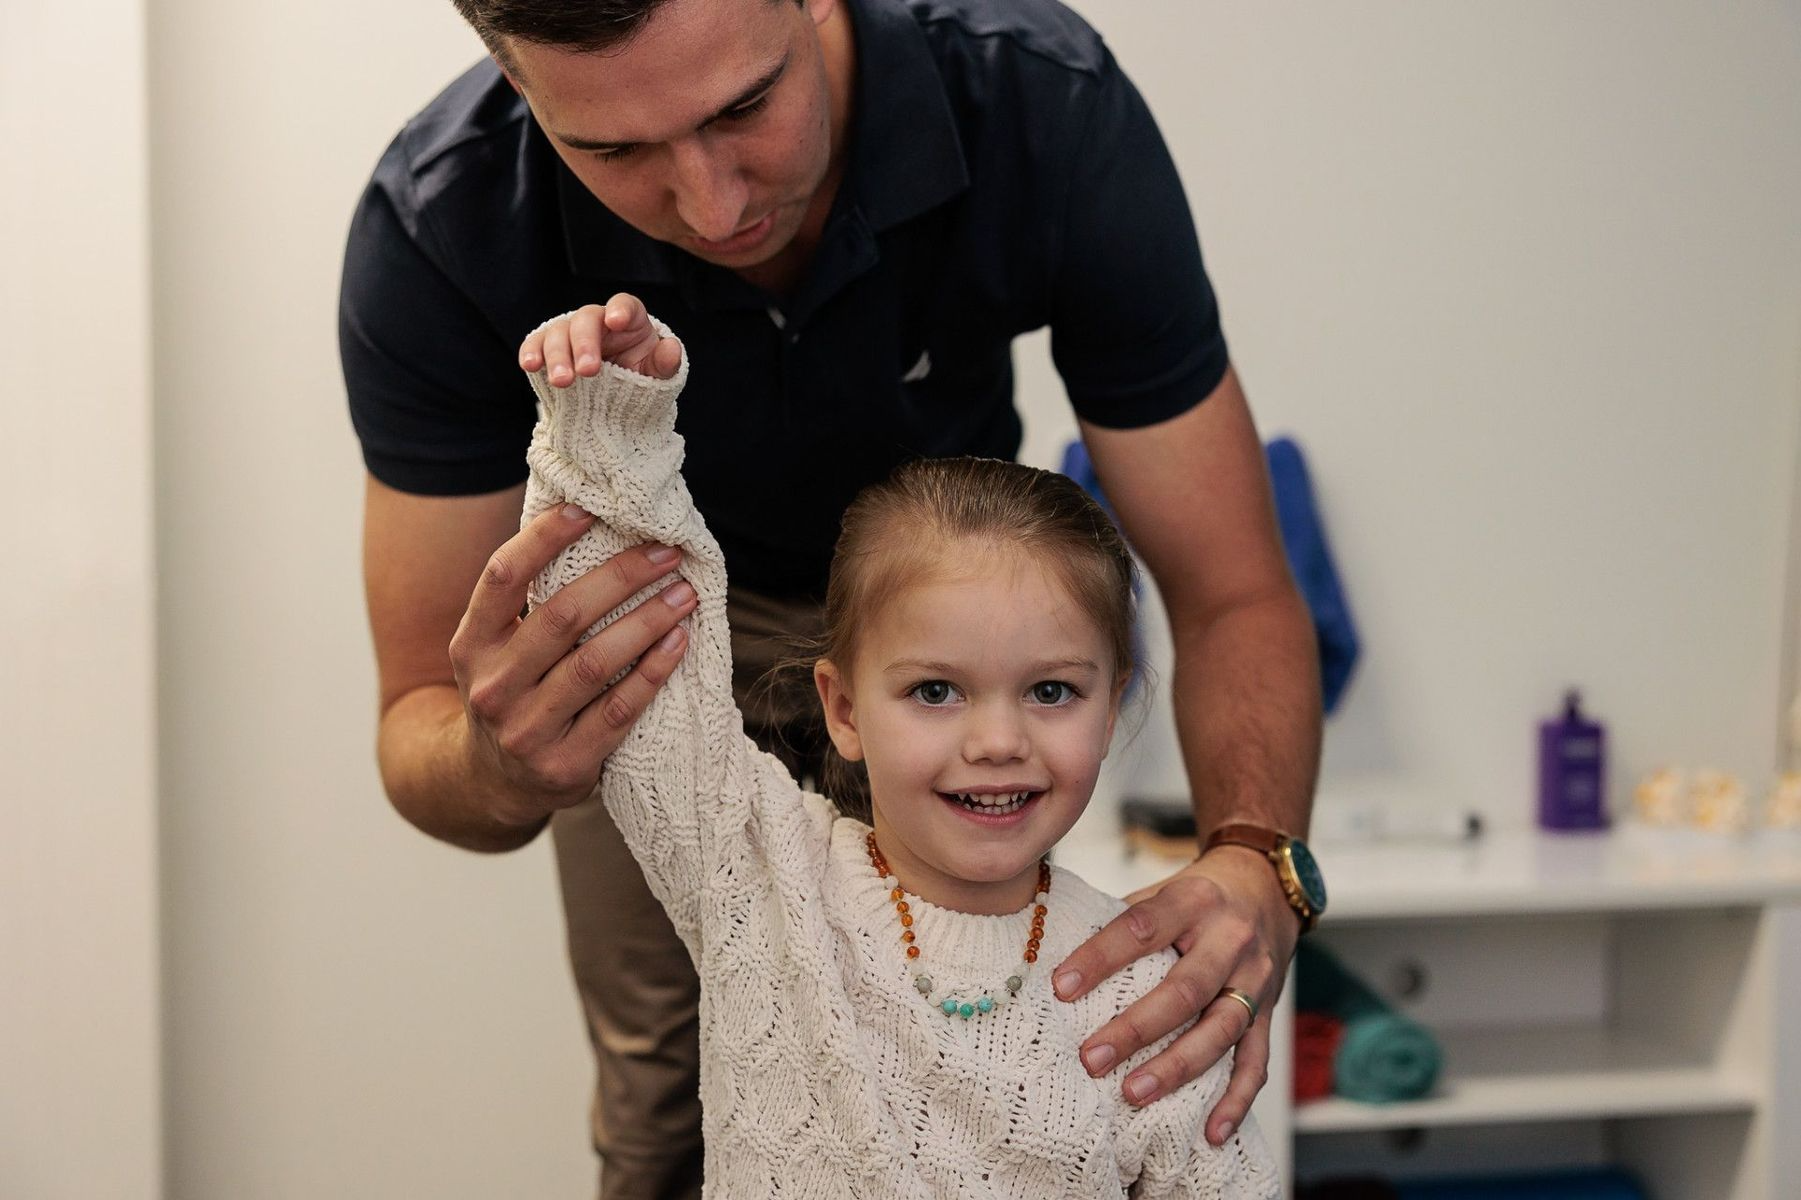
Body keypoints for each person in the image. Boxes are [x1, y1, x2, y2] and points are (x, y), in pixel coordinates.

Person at [343, 0, 1323, 1194]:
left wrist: (1258, 861)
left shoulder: (1037, 101)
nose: (714, 209)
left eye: (744, 107)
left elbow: (1229, 592)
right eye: (613, 152)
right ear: (514, 82)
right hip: (665, 645)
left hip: (943, 607)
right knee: (662, 1111)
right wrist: (505, 765)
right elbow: (418, 720)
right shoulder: (439, 221)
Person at [518, 295, 1281, 1197]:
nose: (998, 742)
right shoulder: (757, 873)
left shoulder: (1153, 997)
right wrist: (609, 422)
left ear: (1108, 709)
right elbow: (629, 661)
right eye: (934, 691)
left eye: (1050, 692)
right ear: (842, 709)